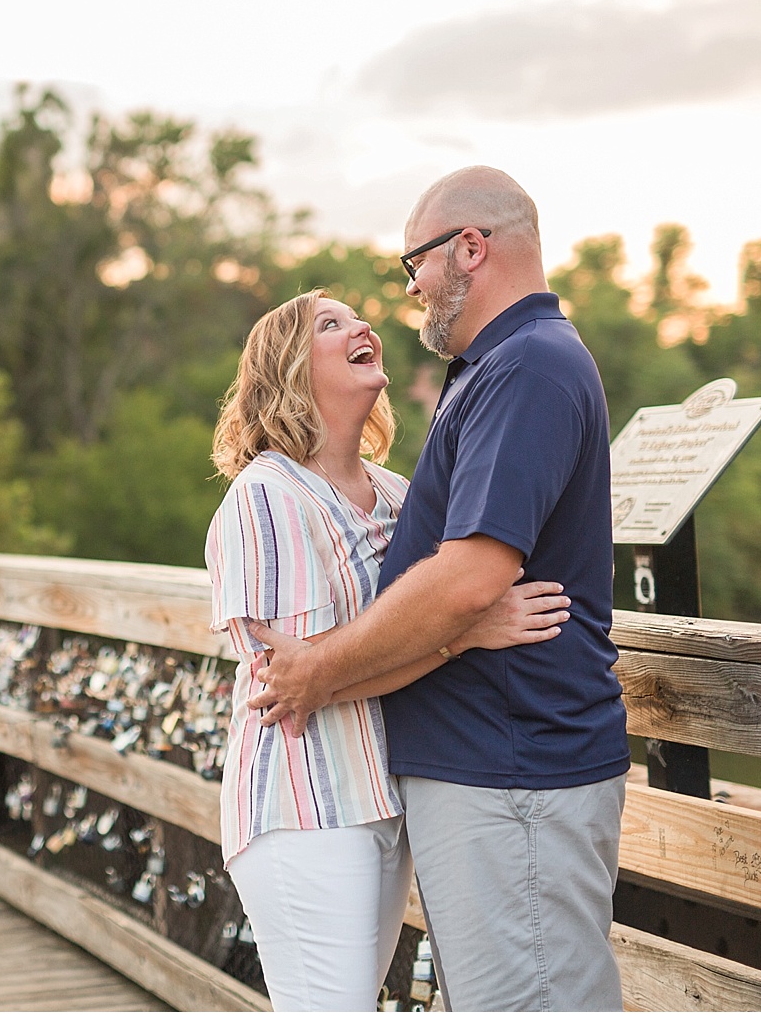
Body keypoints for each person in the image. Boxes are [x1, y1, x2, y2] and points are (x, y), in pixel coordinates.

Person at [246, 166, 630, 1011]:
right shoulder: (496, 367)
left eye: (411, 263)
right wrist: (338, 669)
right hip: (486, 775)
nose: (410, 287)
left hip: (516, 771)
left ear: (468, 247)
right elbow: (455, 601)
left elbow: (467, 578)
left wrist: (317, 670)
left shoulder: (525, 366)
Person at [206, 286, 571, 1011]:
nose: (361, 324)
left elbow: (371, 647)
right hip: (304, 805)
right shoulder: (266, 494)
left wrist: (453, 619)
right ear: (288, 368)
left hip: (384, 797)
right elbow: (302, 677)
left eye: (356, 316)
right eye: (330, 324)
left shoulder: (396, 492)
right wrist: (463, 632)